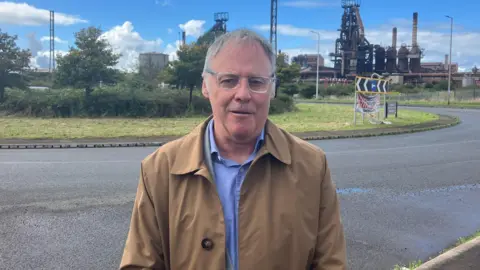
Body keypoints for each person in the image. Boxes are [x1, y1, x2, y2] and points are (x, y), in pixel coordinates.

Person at [119, 28, 347, 270]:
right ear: (206, 86)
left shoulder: (312, 166)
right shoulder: (159, 169)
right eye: (229, 81)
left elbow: (330, 263)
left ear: (272, 88)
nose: (243, 94)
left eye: (256, 82)